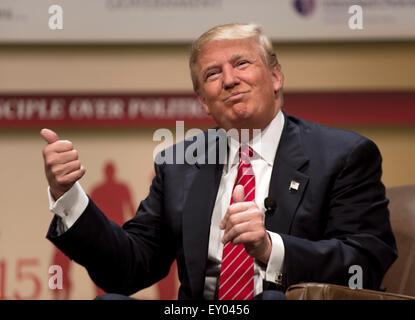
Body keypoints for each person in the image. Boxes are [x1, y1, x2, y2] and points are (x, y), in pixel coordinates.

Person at [40, 23, 397, 300]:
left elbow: (365, 263)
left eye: (242, 63)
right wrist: (68, 195)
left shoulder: (343, 155)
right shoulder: (180, 164)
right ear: (202, 100)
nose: (229, 80)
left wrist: (271, 248)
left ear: (275, 77)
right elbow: (128, 269)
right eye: (213, 74)